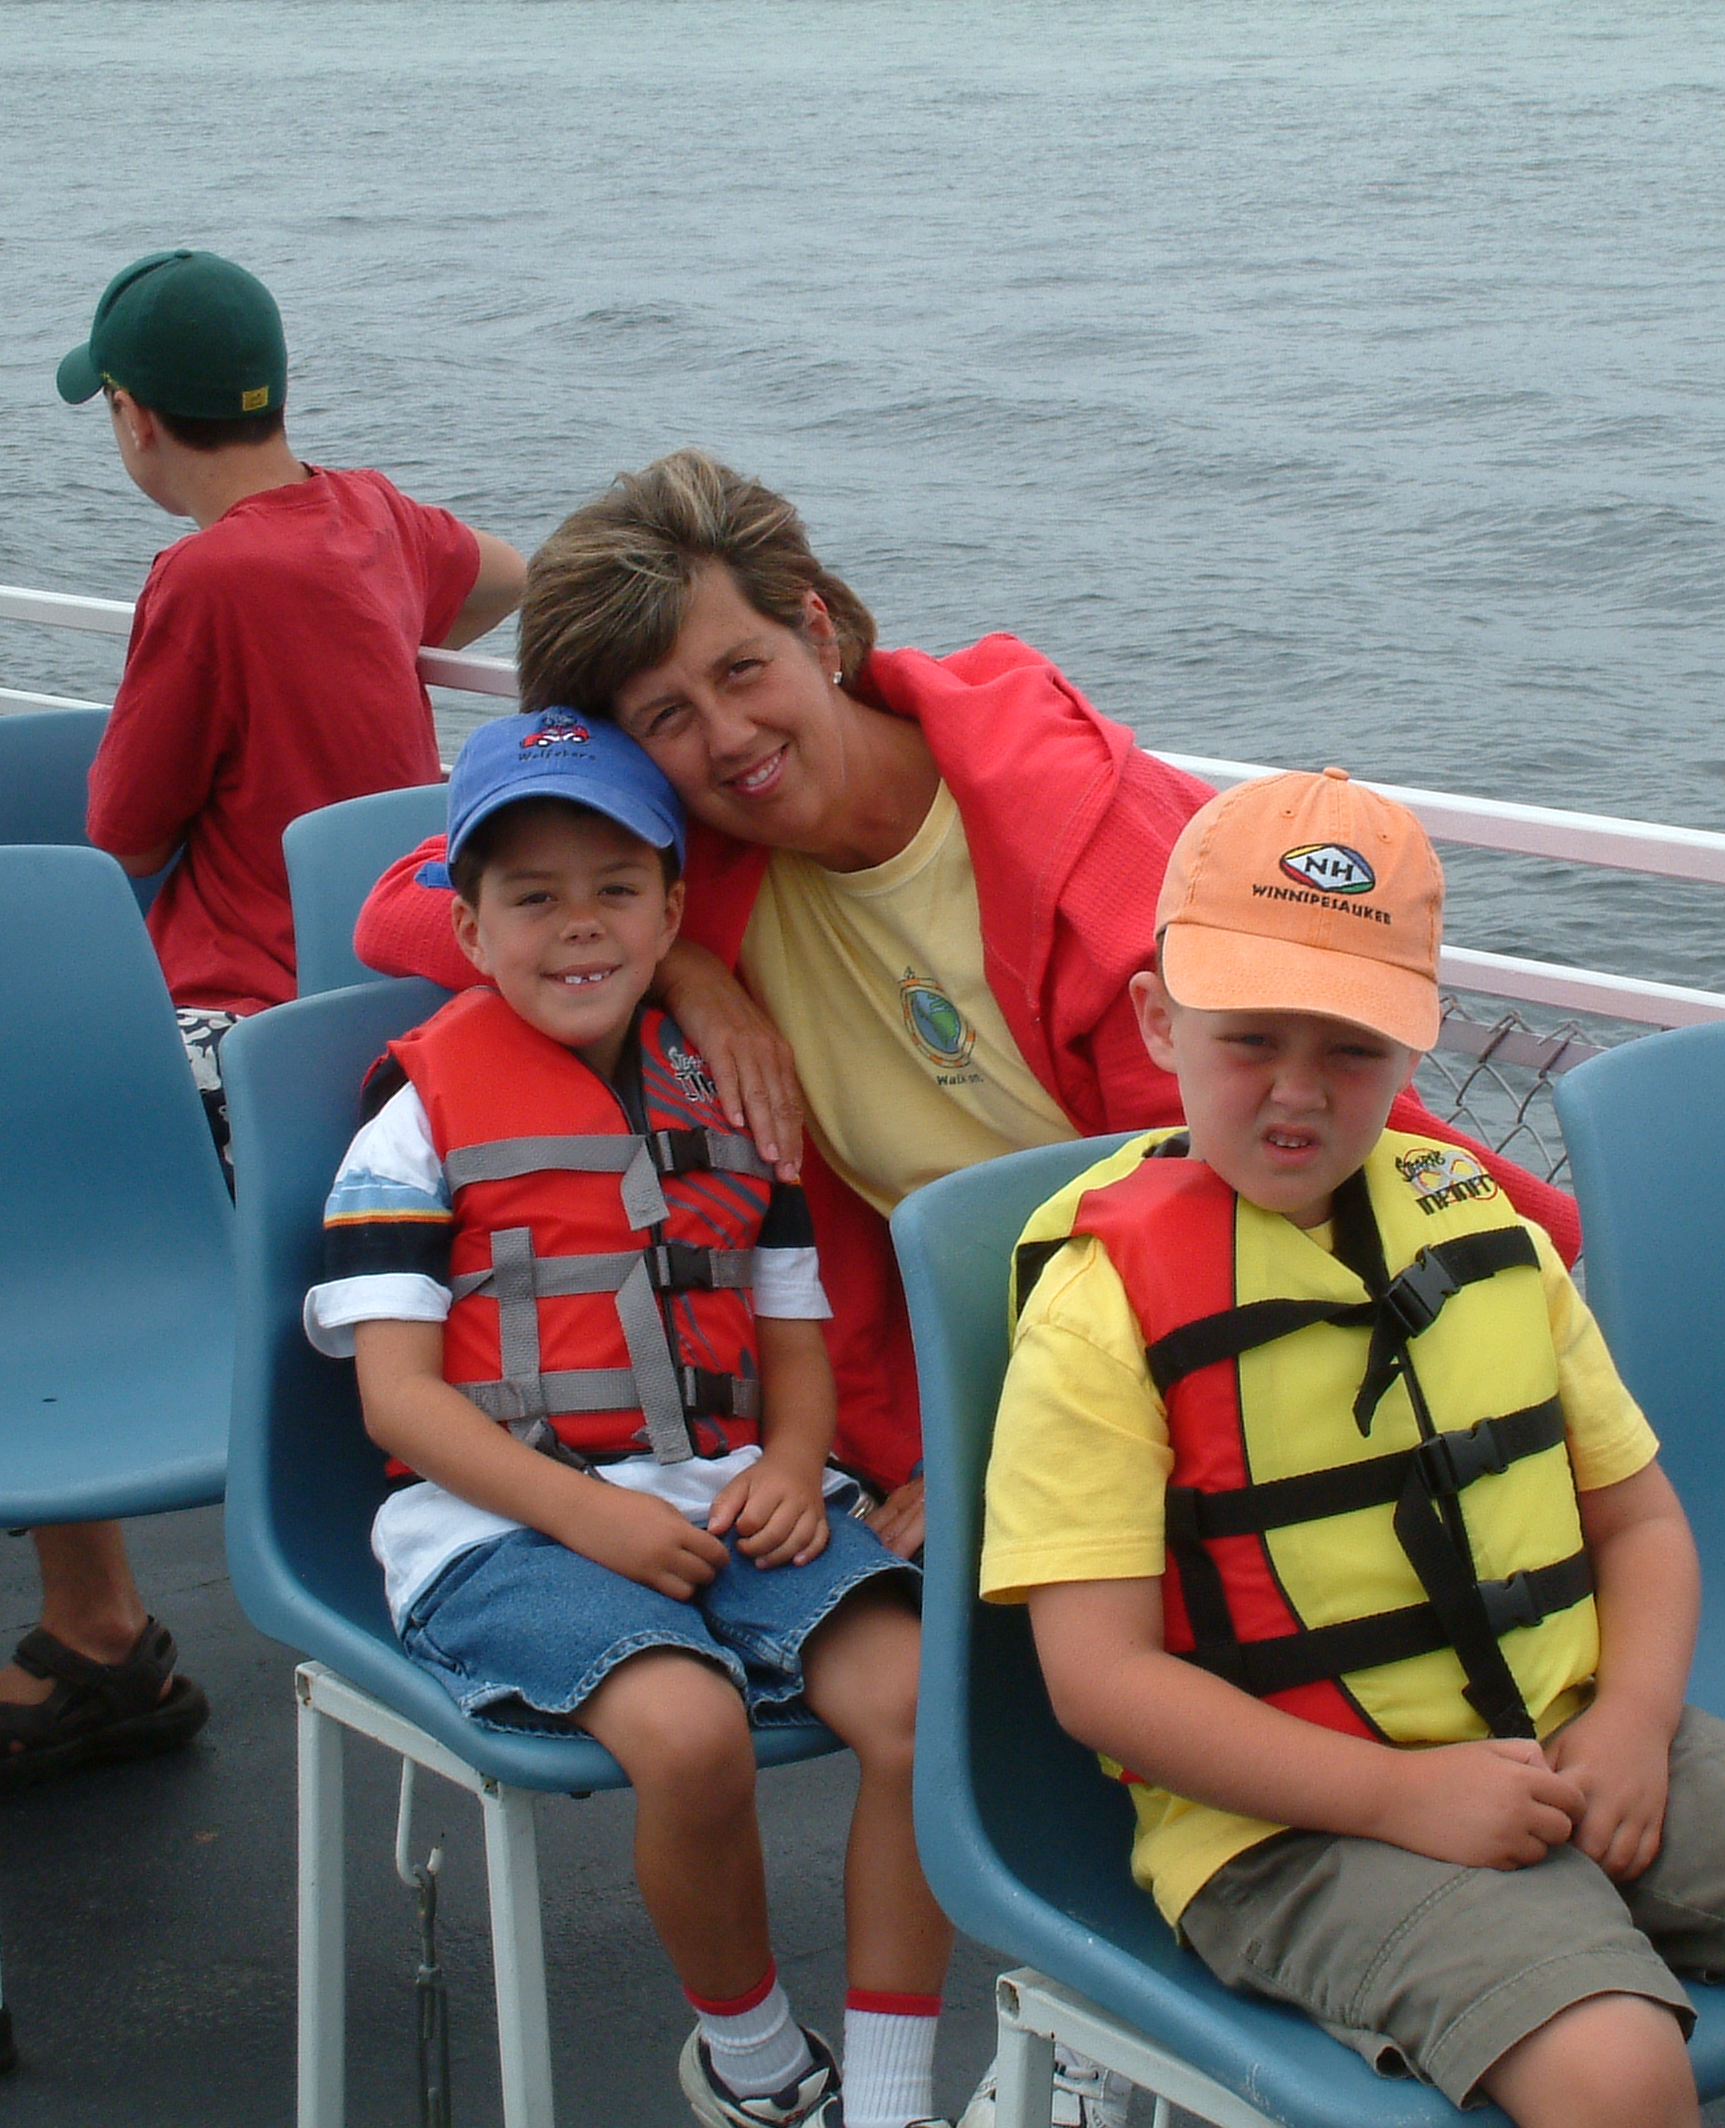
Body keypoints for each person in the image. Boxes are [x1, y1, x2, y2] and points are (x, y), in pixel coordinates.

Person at [349, 449, 1582, 1575]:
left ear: (816, 630)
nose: (727, 738)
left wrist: (1009, 1450)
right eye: (666, 717)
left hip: (1267, 1318)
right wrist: (688, 973)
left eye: (742, 669)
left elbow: (1234, 1196)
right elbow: (402, 904)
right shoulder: (691, 873)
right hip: (959, 1369)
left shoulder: (1080, 830)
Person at [981, 769, 1725, 2128]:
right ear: (1159, 1019)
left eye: (1351, 1048)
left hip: (1578, 1736)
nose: (1295, 1092)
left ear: (1416, 1046)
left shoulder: (1487, 1235)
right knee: (1618, 2076)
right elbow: (1099, 1683)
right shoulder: (1100, 1314)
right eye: (1249, 1038)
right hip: (1295, 1826)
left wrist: (1632, 1721)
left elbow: (1642, 1524)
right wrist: (1398, 1795)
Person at [305, 711, 947, 2128]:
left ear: (672, 912)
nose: (579, 925)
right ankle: (759, 2068)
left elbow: (792, 1334)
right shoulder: (413, 1122)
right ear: (467, 928)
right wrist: (589, 1515)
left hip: (726, 1491)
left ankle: (893, 2100)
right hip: (502, 1525)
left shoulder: (730, 1092)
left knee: (920, 1702)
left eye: (614, 889)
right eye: (533, 897)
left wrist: (797, 1462)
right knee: (690, 1731)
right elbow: (398, 1397)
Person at [0, 248, 527, 1788]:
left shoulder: (203, 578)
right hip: (382, 1000)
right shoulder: (372, 520)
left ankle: (96, 1629)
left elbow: (122, 834)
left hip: (238, 1022)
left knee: (7, 1201)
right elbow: (499, 574)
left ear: (135, 417)